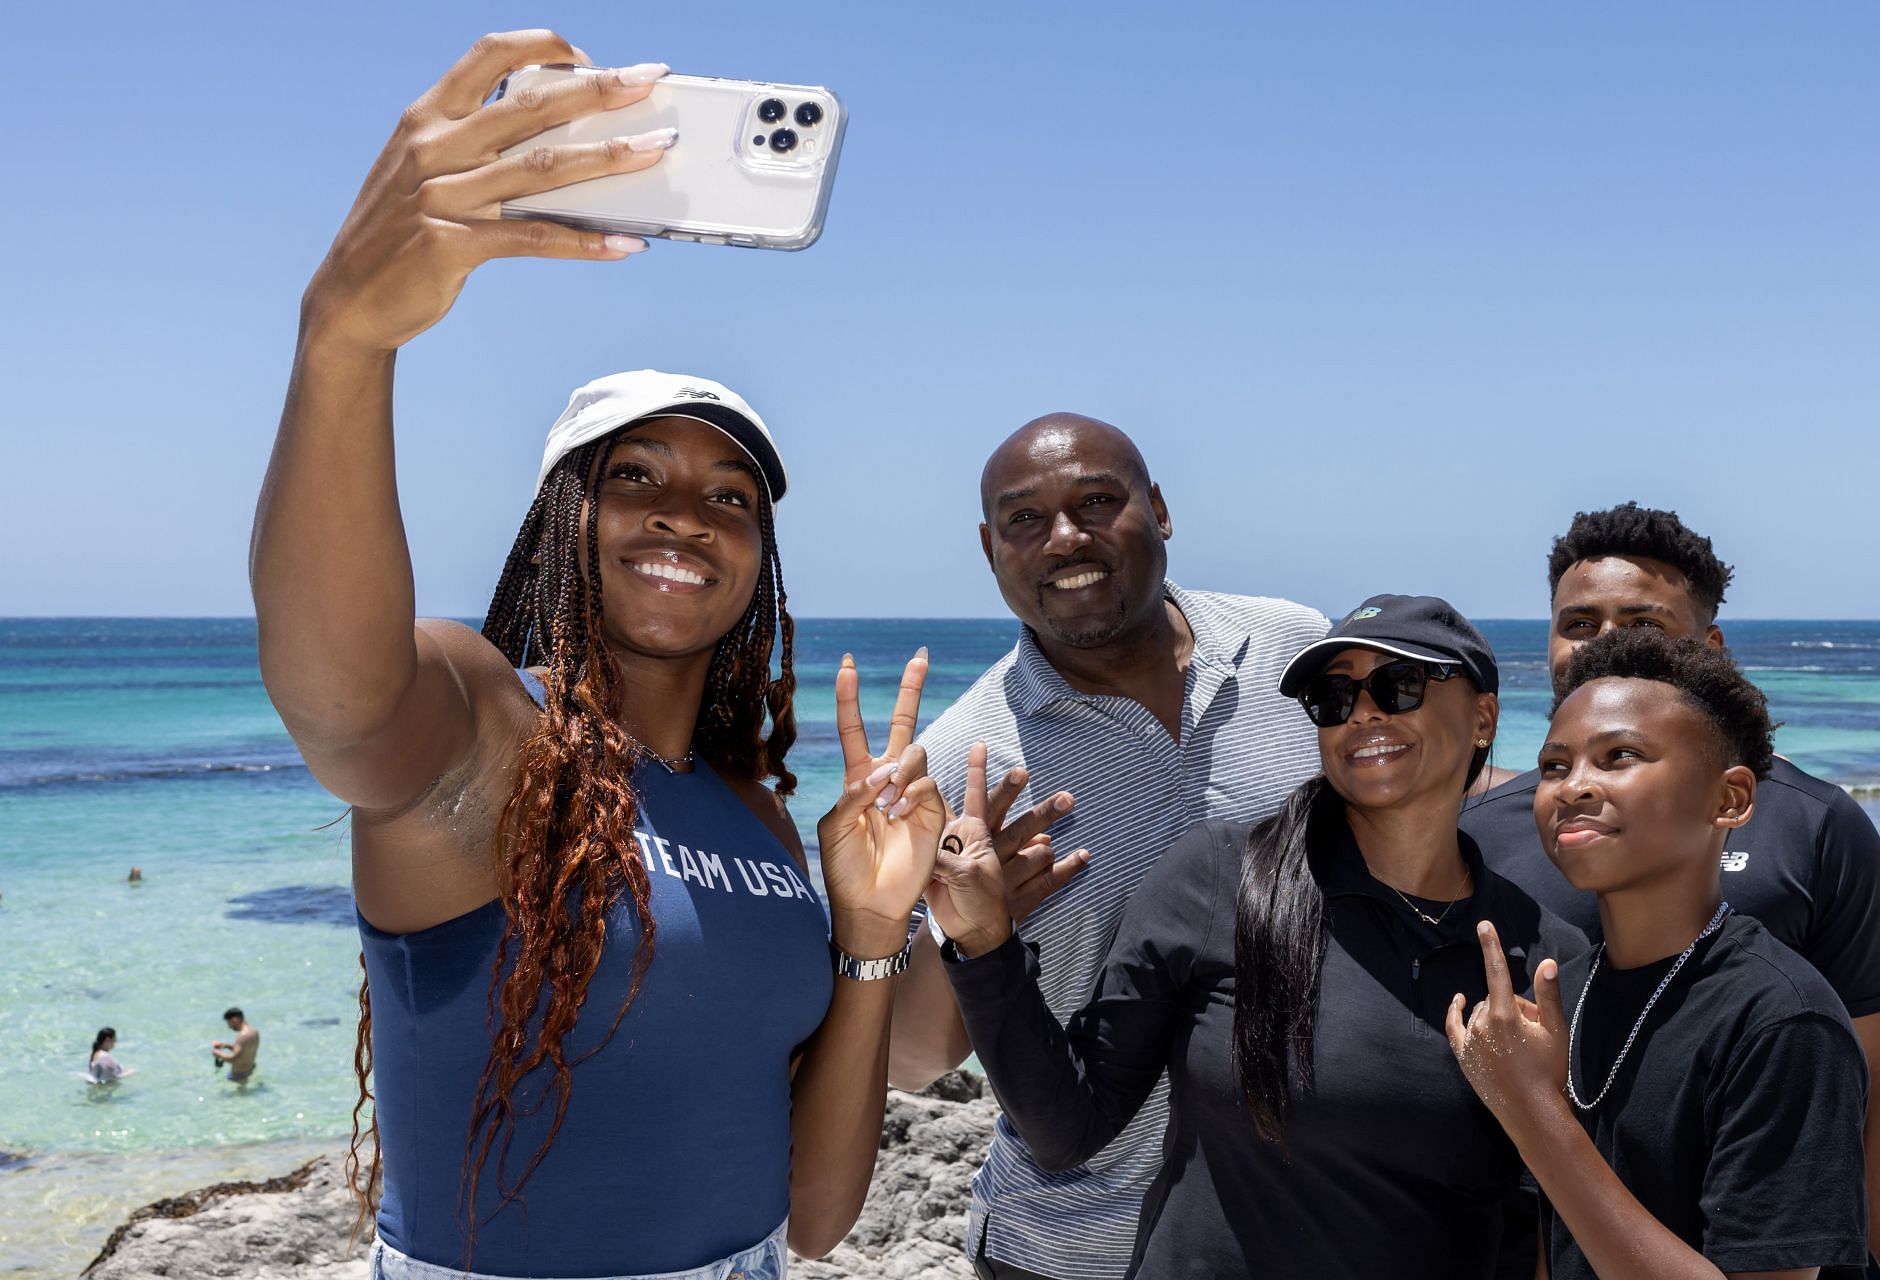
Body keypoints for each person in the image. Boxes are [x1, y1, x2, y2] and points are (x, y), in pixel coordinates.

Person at [251, 30, 942, 1279]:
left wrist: (875, 921)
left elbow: (819, 1210)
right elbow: (339, 701)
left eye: (733, 498)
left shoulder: (760, 816)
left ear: (759, 563)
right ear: (563, 522)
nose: (688, 513)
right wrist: (343, 342)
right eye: (635, 478)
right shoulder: (476, 726)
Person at [928, 596, 1586, 1278]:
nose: (1364, 712)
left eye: (1400, 685)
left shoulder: (1540, 958)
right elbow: (1069, 1127)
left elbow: (1544, 1224)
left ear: (1484, 717)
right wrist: (982, 942)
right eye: (1335, 696)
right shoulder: (1219, 881)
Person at [889, 413, 1329, 1279]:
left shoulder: (1297, 651)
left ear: (1159, 509)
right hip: (1077, 1250)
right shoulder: (955, 764)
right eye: (1024, 519)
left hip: (1312, 1231)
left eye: (1096, 501)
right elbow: (908, 1060)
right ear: (989, 547)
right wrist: (974, 935)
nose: (1064, 539)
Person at [1458, 501, 1880, 1276]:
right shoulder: (1551, 934)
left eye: (1622, 756)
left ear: (1731, 801)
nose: (1574, 788)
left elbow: (1877, 1075)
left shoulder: (1785, 1004)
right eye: (1554, 765)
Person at [211, 1007, 259, 1083]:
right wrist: (225, 1046)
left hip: (238, 1076)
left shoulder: (242, 1036)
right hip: (249, 1071)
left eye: (229, 1023)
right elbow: (244, 1050)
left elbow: (234, 1059)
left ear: (234, 1020)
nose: (229, 1027)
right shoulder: (254, 1031)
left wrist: (217, 1053)